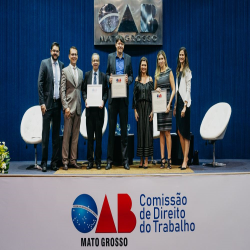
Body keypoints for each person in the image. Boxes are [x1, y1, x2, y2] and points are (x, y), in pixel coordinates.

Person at [105, 35, 133, 170]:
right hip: (112, 100)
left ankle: (125, 160)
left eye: (122, 44)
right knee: (111, 132)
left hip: (123, 99)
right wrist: (108, 79)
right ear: (115, 45)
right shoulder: (110, 57)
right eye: (118, 44)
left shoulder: (128, 58)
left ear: (124, 46)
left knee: (124, 132)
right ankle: (109, 160)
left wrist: (129, 79)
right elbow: (105, 74)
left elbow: (132, 76)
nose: (120, 46)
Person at [38, 42, 64, 172]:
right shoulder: (44, 63)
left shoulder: (62, 65)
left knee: (55, 137)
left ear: (59, 53)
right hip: (47, 105)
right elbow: (40, 84)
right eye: (53, 51)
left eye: (57, 51)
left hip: (57, 104)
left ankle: (54, 163)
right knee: (45, 136)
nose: (55, 53)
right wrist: (42, 103)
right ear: (50, 51)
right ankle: (43, 163)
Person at [82, 53, 108, 170]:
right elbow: (83, 90)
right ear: (91, 62)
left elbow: (106, 92)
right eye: (94, 60)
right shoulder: (87, 75)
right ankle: (90, 161)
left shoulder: (103, 76)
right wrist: (85, 99)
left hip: (99, 112)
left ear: (99, 62)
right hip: (89, 112)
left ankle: (98, 161)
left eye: (97, 60)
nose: (95, 62)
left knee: (98, 138)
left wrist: (103, 101)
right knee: (90, 139)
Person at [60, 46, 83, 170]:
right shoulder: (65, 71)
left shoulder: (80, 72)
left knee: (75, 137)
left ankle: (73, 160)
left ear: (77, 57)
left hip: (78, 108)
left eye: (76, 54)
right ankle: (65, 160)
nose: (74, 56)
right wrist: (65, 107)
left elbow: (79, 89)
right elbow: (62, 90)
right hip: (68, 108)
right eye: (72, 54)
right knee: (66, 136)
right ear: (69, 56)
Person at [155, 50, 175, 169]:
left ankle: (169, 159)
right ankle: (162, 159)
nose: (161, 61)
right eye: (159, 59)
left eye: (162, 59)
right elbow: (155, 89)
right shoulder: (157, 74)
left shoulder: (169, 71)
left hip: (167, 104)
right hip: (159, 105)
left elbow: (174, 89)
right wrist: (157, 89)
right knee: (161, 132)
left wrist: (169, 104)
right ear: (157, 61)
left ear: (165, 60)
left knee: (167, 132)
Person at [133, 57, 154, 169]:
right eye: (142, 65)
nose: (143, 67)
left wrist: (153, 111)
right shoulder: (137, 80)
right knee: (140, 133)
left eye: (145, 65)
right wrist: (135, 111)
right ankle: (140, 159)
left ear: (147, 67)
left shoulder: (151, 79)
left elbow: (153, 97)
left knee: (147, 134)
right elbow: (134, 97)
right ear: (140, 67)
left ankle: (146, 159)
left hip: (148, 108)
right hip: (140, 109)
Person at [173, 47, 192, 170]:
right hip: (178, 103)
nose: (181, 57)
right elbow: (177, 89)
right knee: (179, 132)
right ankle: (186, 157)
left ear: (185, 57)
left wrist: (184, 106)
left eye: (183, 55)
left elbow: (188, 89)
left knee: (185, 133)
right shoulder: (177, 70)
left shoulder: (187, 71)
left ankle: (185, 159)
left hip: (185, 104)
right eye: (180, 55)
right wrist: (175, 106)